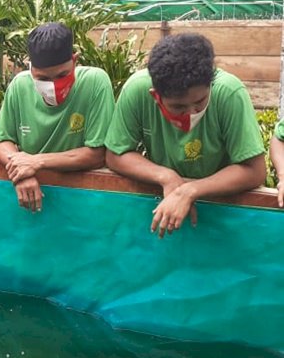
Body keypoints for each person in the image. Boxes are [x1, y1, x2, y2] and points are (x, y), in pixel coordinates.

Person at [105, 33, 266, 238]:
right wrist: (165, 177)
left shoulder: (229, 93)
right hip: (165, 206)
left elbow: (254, 170)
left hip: (224, 215)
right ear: (156, 96)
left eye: (200, 102)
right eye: (178, 107)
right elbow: (115, 154)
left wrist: (189, 191)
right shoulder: (136, 89)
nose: (191, 113)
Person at [0, 23, 115, 212]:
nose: (53, 86)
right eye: (43, 79)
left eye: (62, 75)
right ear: (30, 69)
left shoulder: (95, 83)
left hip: (82, 198)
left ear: (75, 61)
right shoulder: (19, 86)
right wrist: (21, 171)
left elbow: (97, 154)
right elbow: (0, 140)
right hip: (33, 197)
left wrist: (36, 162)